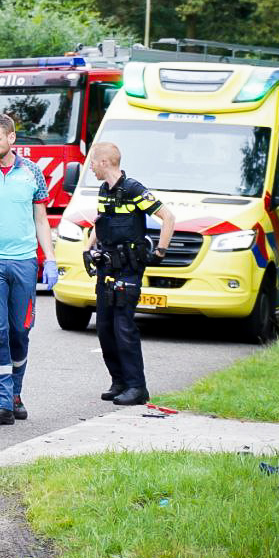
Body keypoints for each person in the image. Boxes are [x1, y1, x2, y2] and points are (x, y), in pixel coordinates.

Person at [0, 115, 57, 423]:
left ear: (11, 138)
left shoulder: (33, 172)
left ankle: (16, 393)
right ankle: (2, 401)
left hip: (24, 262)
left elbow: (41, 219)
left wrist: (50, 257)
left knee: (20, 332)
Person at [84, 141, 175, 406]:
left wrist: (160, 252)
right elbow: (99, 222)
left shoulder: (134, 189)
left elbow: (168, 217)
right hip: (107, 267)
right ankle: (119, 381)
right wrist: (88, 249)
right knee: (104, 327)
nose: (91, 167)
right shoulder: (104, 190)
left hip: (129, 268)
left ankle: (137, 387)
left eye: (92, 162)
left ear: (104, 162)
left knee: (124, 327)